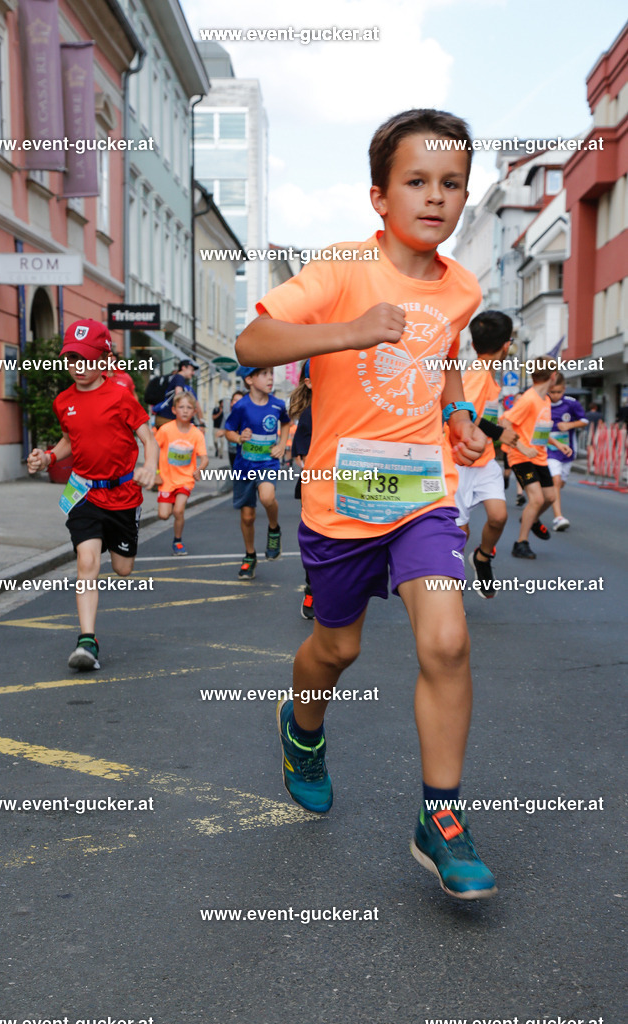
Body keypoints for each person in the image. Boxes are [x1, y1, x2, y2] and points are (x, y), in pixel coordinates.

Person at [237, 108, 499, 900]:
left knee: (447, 643)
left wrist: (457, 416)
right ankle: (303, 730)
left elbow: (444, 355)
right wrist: (347, 331)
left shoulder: (462, 287)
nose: (435, 197)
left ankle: (440, 819)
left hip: (421, 495)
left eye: (450, 184)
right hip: (339, 501)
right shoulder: (342, 267)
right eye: (415, 182)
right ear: (379, 197)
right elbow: (251, 344)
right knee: (335, 650)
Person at [27, 319, 158, 670]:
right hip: (83, 492)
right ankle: (87, 641)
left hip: (124, 495)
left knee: (123, 569)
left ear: (104, 359)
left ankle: (122, 541)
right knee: (86, 563)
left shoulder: (120, 395)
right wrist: (48, 457)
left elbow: (149, 438)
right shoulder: (63, 401)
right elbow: (71, 439)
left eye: (86, 359)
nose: (78, 367)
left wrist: (150, 466)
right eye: (72, 359)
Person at [456, 311, 520, 597]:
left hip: (482, 461)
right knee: (460, 534)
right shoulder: (478, 375)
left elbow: (482, 413)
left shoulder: (490, 378)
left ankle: (482, 557)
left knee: (498, 516)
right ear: (507, 346)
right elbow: (463, 412)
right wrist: (499, 433)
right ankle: (451, 594)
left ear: (473, 344)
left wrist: (500, 424)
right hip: (459, 461)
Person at [223, 366, 291, 579]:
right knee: (248, 516)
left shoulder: (278, 404)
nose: (270, 378)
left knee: (267, 496)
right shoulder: (241, 406)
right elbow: (228, 431)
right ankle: (250, 555)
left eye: (271, 373)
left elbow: (287, 424)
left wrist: (282, 444)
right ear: (250, 380)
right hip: (245, 466)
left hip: (268, 464)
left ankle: (273, 529)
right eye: (264, 374)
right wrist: (238, 438)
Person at [501, 359, 571, 559]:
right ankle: (520, 543)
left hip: (539, 456)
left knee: (549, 497)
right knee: (537, 498)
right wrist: (522, 447)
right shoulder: (528, 399)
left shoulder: (545, 400)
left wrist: (558, 444)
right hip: (520, 456)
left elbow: (540, 428)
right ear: (553, 376)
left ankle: (530, 518)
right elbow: (505, 422)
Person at [156, 392, 209, 554]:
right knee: (164, 515)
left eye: (189, 408)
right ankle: (170, 502)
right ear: (174, 410)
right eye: (181, 407)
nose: (185, 411)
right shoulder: (165, 430)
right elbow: (154, 449)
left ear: (194, 412)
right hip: (166, 479)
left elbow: (204, 458)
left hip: (186, 479)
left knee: (179, 511)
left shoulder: (196, 434)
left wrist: (199, 469)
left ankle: (177, 541)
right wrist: (156, 472)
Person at [547, 372, 588, 530]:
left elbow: (584, 420)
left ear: (564, 390)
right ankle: (558, 517)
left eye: (559, 392)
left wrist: (569, 425)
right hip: (549, 449)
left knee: (560, 483)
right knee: (555, 481)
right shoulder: (543, 403)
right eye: (552, 392)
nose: (555, 395)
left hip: (567, 450)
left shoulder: (571, 404)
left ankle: (534, 512)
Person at [290, 360, 314, 619]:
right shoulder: (310, 413)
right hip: (315, 486)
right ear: (308, 382)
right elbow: (303, 458)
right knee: (316, 540)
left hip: (349, 485)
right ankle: (312, 589)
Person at [152, 359, 206, 428]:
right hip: (169, 419)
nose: (193, 373)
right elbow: (179, 395)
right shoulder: (179, 378)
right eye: (191, 370)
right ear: (183, 368)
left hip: (163, 417)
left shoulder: (173, 378)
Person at [226, 390, 244, 469]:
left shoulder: (246, 415)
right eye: (235, 400)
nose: (237, 403)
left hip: (242, 449)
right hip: (232, 448)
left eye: (240, 401)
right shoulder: (229, 415)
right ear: (231, 403)